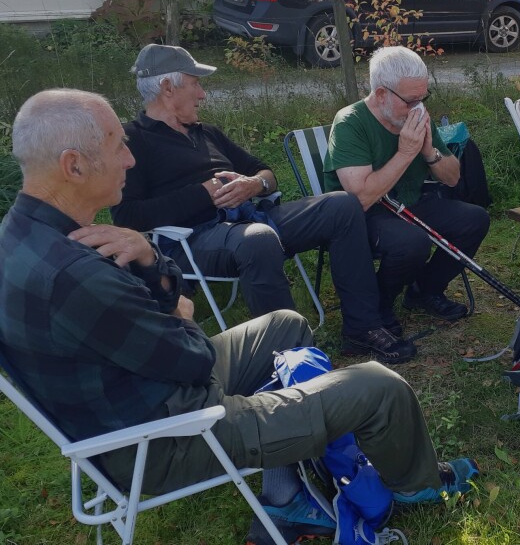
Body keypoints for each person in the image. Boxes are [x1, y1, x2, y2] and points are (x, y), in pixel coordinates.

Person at [0, 89, 479, 545]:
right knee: (379, 385)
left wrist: (148, 257)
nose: (129, 157)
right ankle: (416, 483)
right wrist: (176, 305)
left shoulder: (24, 234)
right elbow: (191, 356)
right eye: (117, 145)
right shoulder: (79, 274)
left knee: (285, 324)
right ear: (74, 165)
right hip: (165, 437)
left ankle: (285, 492)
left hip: (134, 404)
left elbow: (174, 337)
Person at [111, 44, 414, 364]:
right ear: (168, 87)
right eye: (195, 83)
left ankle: (362, 327)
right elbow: (127, 215)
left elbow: (265, 172)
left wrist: (255, 184)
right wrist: (202, 193)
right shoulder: (135, 140)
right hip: (195, 240)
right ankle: (293, 357)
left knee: (342, 205)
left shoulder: (206, 132)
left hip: (252, 215)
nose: (202, 95)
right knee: (259, 240)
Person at [323, 46, 490, 327]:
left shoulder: (414, 114)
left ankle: (424, 289)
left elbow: (452, 178)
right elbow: (360, 199)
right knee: (412, 241)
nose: (419, 107)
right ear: (381, 94)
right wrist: (405, 153)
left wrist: (429, 152)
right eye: (411, 100)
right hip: (365, 215)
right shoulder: (350, 123)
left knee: (475, 219)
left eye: (423, 98)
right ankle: (380, 302)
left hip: (410, 202)